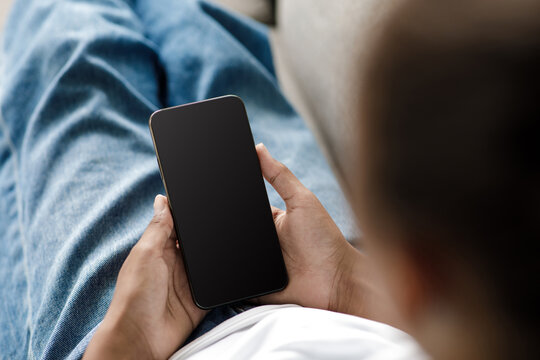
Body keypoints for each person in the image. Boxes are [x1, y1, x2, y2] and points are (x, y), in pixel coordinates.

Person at [1, 0, 538, 360]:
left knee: (71, 49)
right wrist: (346, 280)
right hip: (330, 291)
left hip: (162, 341)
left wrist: (126, 340)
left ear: (420, 272)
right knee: (217, 60)